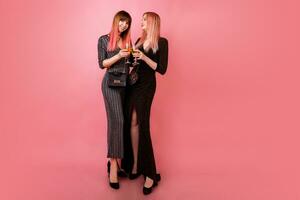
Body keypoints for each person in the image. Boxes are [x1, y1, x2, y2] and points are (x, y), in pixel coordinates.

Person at [122, 12, 168, 195]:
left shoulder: (161, 42)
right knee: (131, 121)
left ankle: (150, 174)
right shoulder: (140, 39)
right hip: (134, 84)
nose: (140, 22)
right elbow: (134, 65)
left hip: (147, 86)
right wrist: (130, 57)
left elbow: (162, 69)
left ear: (152, 23)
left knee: (143, 126)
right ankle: (134, 165)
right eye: (141, 20)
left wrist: (144, 57)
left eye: (144, 20)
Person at [97, 10, 132, 189]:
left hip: (125, 84)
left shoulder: (127, 41)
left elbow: (130, 63)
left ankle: (117, 163)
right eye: (121, 21)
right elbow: (102, 63)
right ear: (116, 21)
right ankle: (112, 164)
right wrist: (119, 55)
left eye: (127, 23)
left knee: (123, 122)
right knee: (116, 121)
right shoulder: (103, 39)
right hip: (110, 84)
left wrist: (132, 59)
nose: (124, 25)